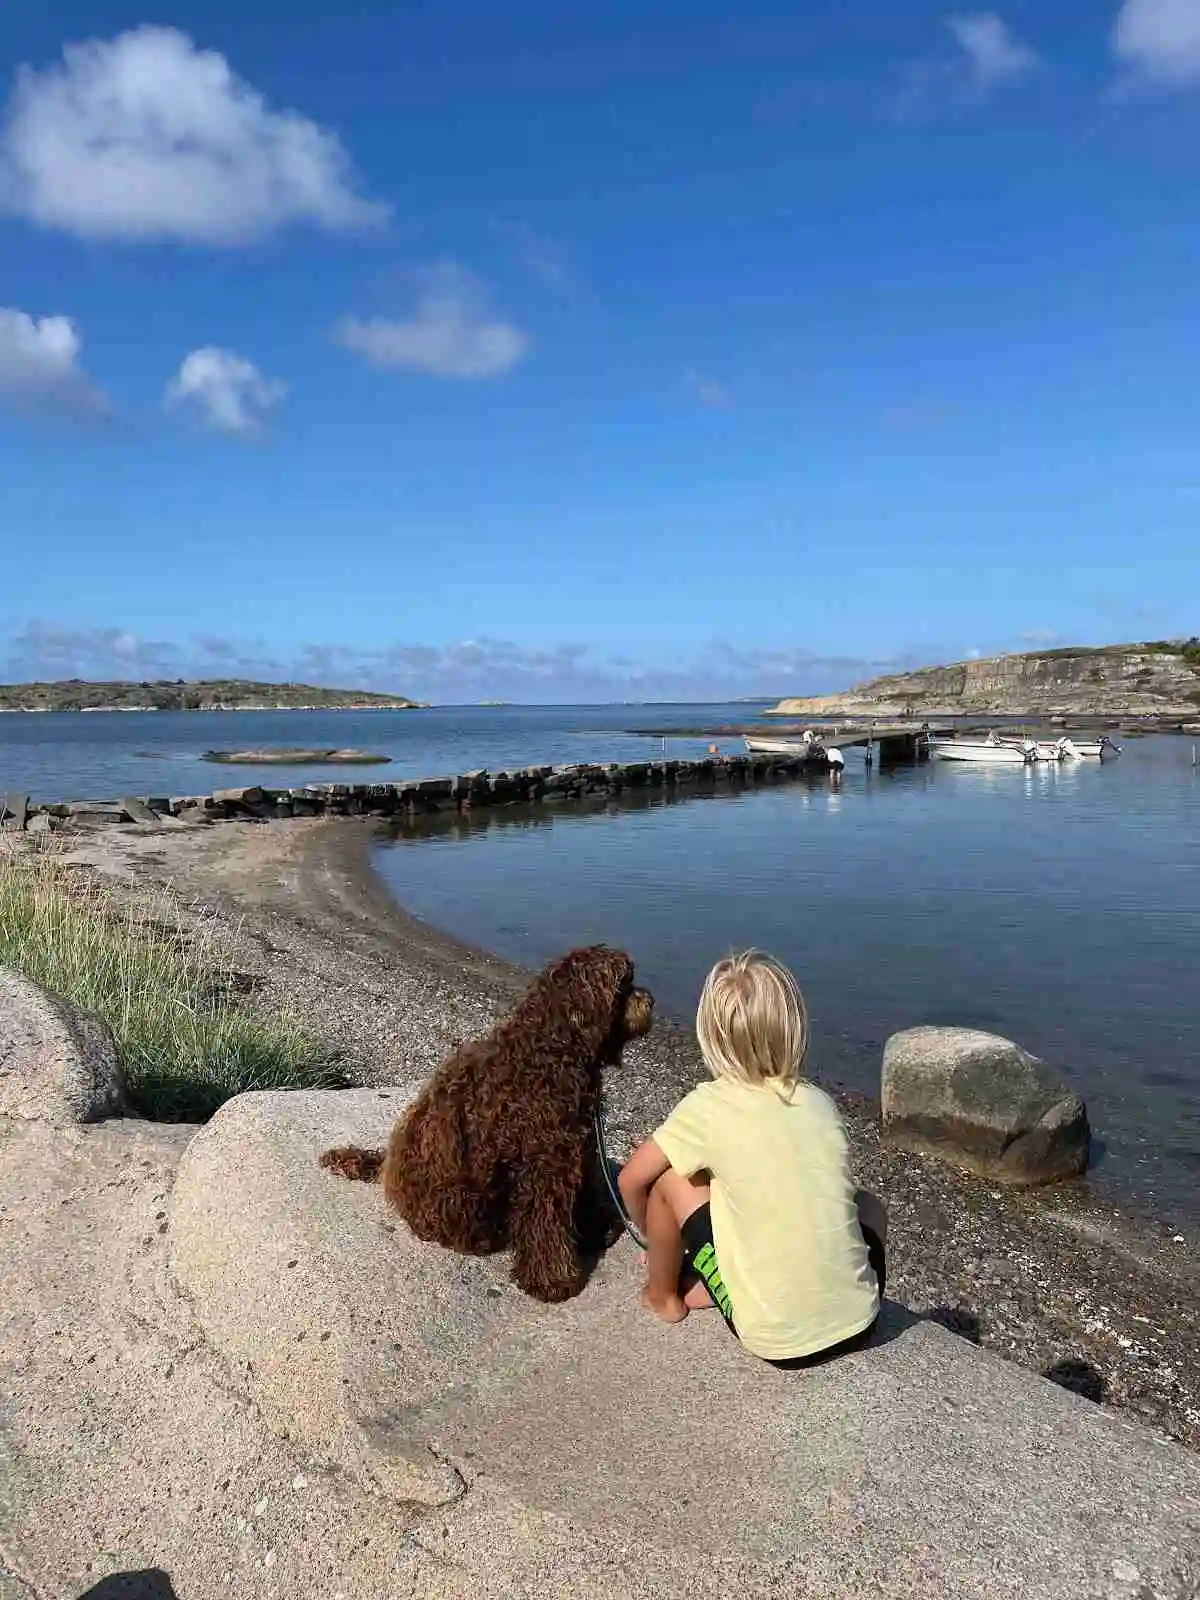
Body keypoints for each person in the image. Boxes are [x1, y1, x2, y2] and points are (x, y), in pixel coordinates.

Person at [618, 951, 886, 1367]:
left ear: (711, 1034)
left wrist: (656, 1241)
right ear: (794, 1026)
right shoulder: (821, 1103)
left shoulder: (707, 1106)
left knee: (669, 1179)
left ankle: (663, 1297)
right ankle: (736, 1283)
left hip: (778, 1341)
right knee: (870, 1205)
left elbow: (631, 1182)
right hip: (862, 1321)